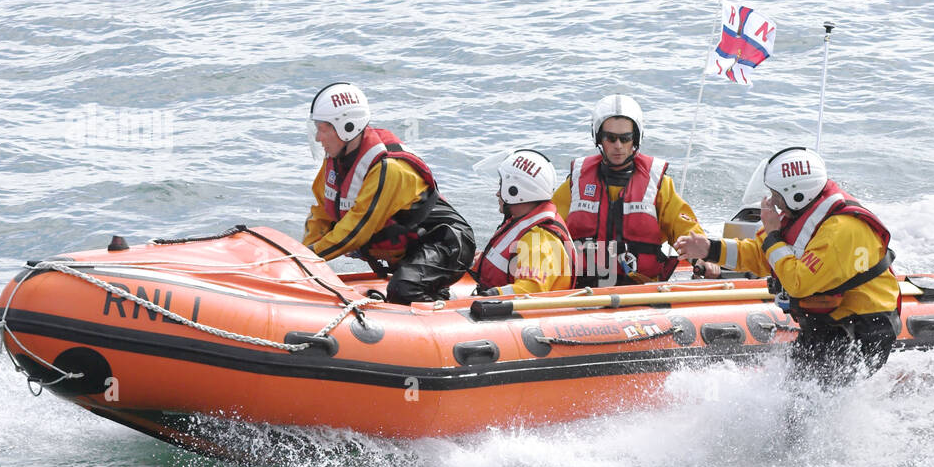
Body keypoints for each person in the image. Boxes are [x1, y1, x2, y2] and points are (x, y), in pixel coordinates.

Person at [675, 146, 901, 382]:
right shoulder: (801, 213)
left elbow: (797, 283)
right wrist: (710, 249)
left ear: (798, 194)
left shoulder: (841, 231)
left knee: (803, 405)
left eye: (776, 195)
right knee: (791, 394)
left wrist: (773, 236)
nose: (772, 201)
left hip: (863, 329)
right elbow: (763, 256)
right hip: (829, 324)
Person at [302, 82, 475, 304]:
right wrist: (300, 255)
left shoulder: (387, 168)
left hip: (447, 243)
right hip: (413, 251)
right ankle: (435, 294)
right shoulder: (335, 163)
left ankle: (440, 311)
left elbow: (355, 232)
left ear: (346, 127)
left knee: (403, 290)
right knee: (403, 285)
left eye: (323, 129)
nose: (318, 138)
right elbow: (321, 215)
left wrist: (308, 259)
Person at [552, 94, 706, 287]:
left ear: (636, 138)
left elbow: (685, 230)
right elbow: (548, 226)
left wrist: (701, 257)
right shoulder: (576, 182)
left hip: (639, 288)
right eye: (611, 138)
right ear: (599, 138)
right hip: (582, 287)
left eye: (625, 138)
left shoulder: (659, 185)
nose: (618, 146)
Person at [471, 149, 577, 297]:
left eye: (501, 184)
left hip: (520, 315)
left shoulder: (538, 239)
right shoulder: (523, 221)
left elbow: (531, 290)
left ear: (515, 191)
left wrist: (489, 297)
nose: (497, 193)